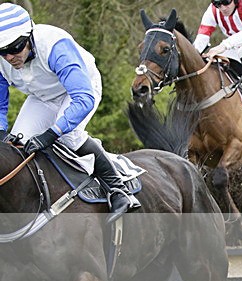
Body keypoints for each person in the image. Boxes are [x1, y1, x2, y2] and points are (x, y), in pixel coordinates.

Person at [0, 3, 139, 223]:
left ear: (29, 36)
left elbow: (83, 99)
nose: (9, 57)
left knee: (68, 135)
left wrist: (50, 134)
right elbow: (0, 105)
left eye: (15, 48)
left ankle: (117, 187)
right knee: (18, 145)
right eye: (2, 51)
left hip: (82, 89)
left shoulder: (55, 45)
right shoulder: (3, 60)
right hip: (42, 96)